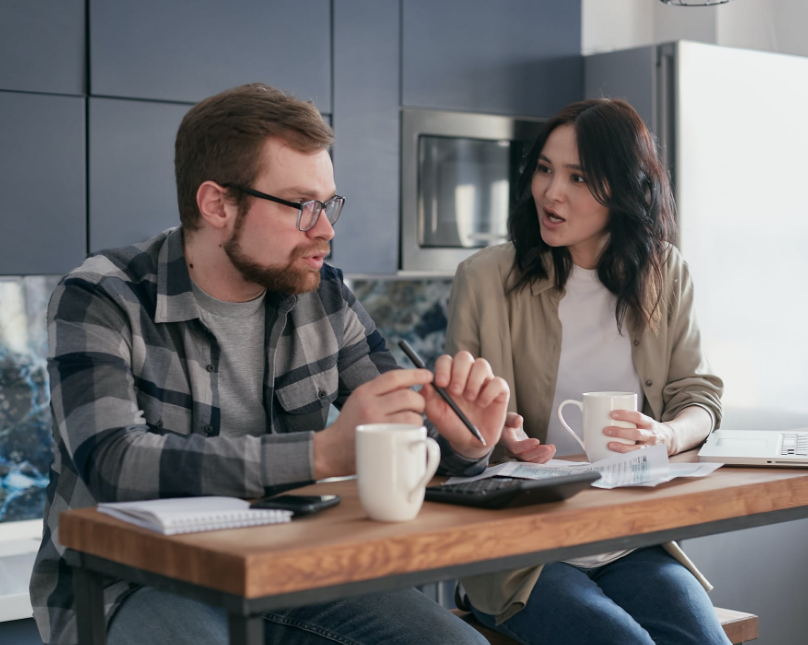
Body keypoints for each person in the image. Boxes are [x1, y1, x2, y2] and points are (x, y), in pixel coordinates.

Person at [29, 83, 511, 645]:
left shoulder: (323, 294)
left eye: (329, 205)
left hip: (289, 565)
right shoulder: (102, 296)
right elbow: (113, 463)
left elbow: (404, 431)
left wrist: (464, 443)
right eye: (303, 206)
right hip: (135, 580)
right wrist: (323, 453)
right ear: (217, 205)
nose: (326, 230)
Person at [445, 98, 729, 645]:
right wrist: (489, 440)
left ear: (625, 188)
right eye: (545, 170)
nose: (552, 192)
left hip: (628, 537)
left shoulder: (665, 272)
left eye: (578, 177)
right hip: (523, 551)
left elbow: (701, 398)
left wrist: (667, 433)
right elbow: (457, 436)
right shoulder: (483, 278)